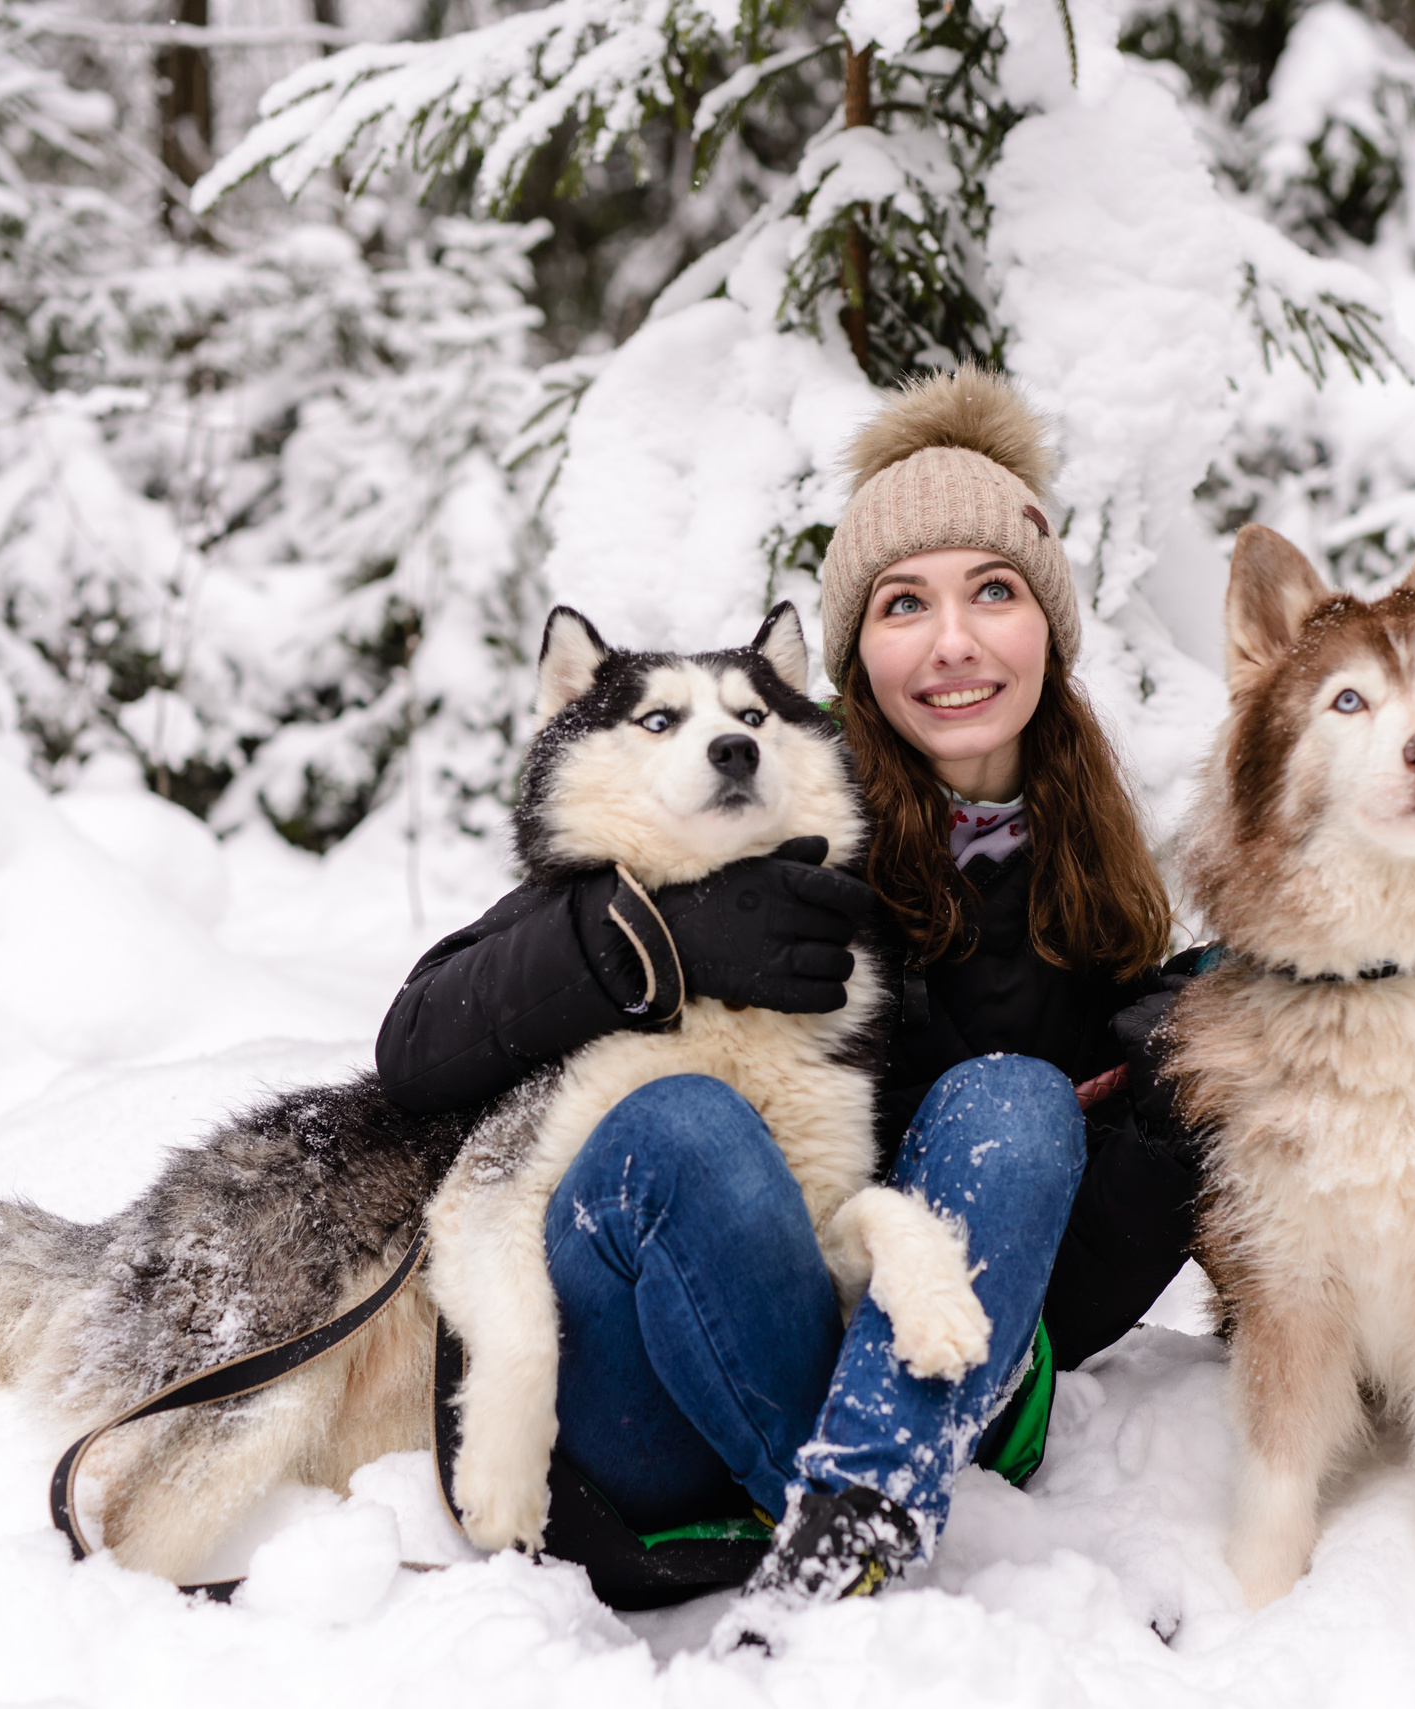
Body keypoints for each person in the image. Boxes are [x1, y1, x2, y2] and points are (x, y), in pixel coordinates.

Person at [375, 366, 1204, 1627]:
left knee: (1018, 1102)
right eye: (902, 603)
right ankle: (869, 1530)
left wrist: (1174, 1090)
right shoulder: (736, 799)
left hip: (907, 1365)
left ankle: (852, 1529)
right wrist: (650, 937)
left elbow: (1061, 1289)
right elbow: (418, 1042)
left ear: (1050, 623)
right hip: (655, 1382)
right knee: (685, 1125)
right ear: (850, 655)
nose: (952, 641)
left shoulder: (1099, 893)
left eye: (994, 591)